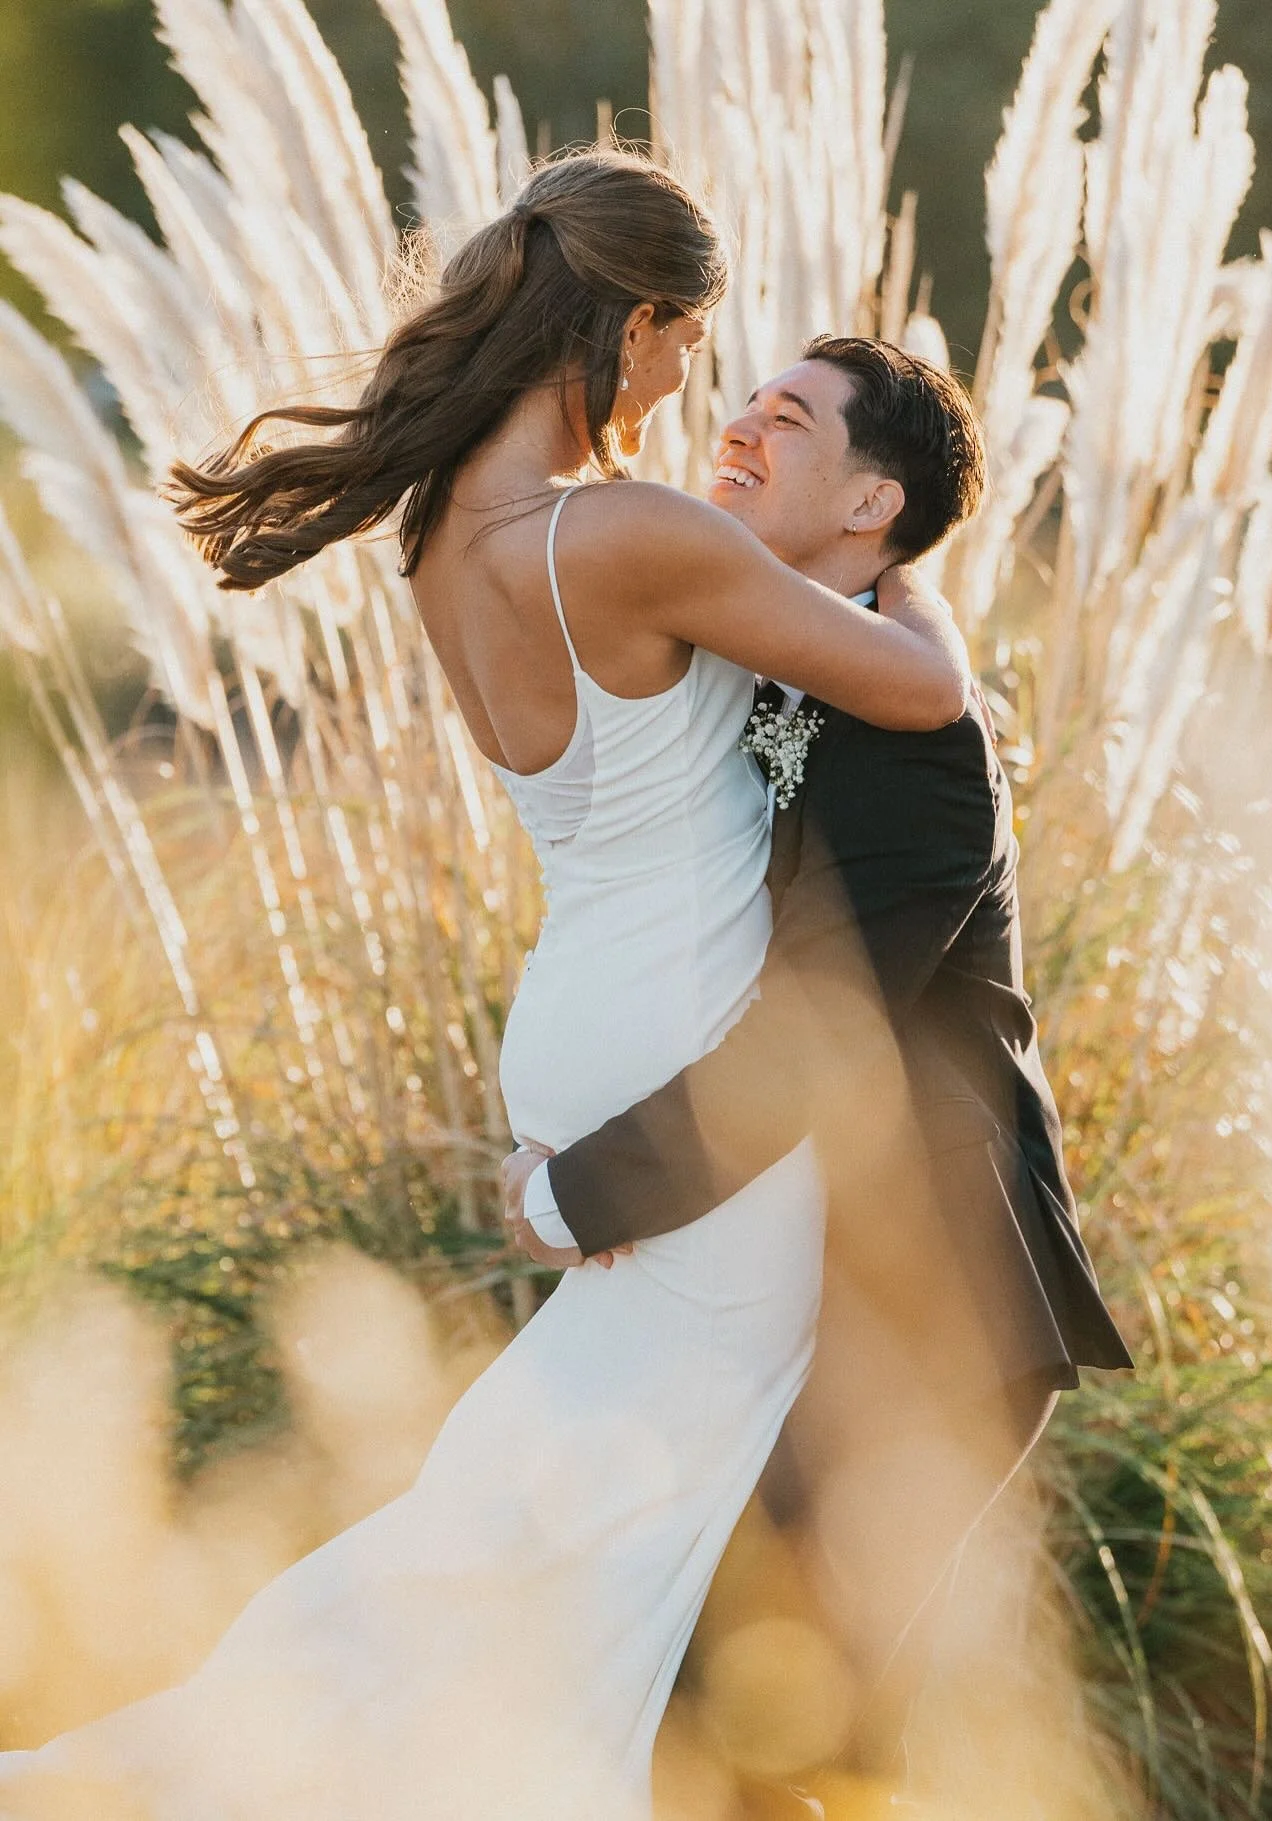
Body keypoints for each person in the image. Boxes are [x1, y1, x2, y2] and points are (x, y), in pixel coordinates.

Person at [0, 154, 975, 1821]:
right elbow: (916, 687)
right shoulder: (630, 531)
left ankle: (230, 1747)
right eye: (690, 349)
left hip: (578, 1023)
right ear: (633, 322)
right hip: (692, 1045)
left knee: (541, 1495)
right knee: (599, 1538)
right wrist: (914, 552)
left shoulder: (449, 526)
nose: (696, 392)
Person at [502, 335, 1137, 1800]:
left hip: (930, 1295)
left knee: (764, 1717)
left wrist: (577, 1197)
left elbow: (813, 1041)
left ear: (868, 507)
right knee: (669, 1681)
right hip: (768, 1276)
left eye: (787, 420)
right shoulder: (771, 645)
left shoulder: (918, 737)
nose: (735, 426)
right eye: (741, 401)